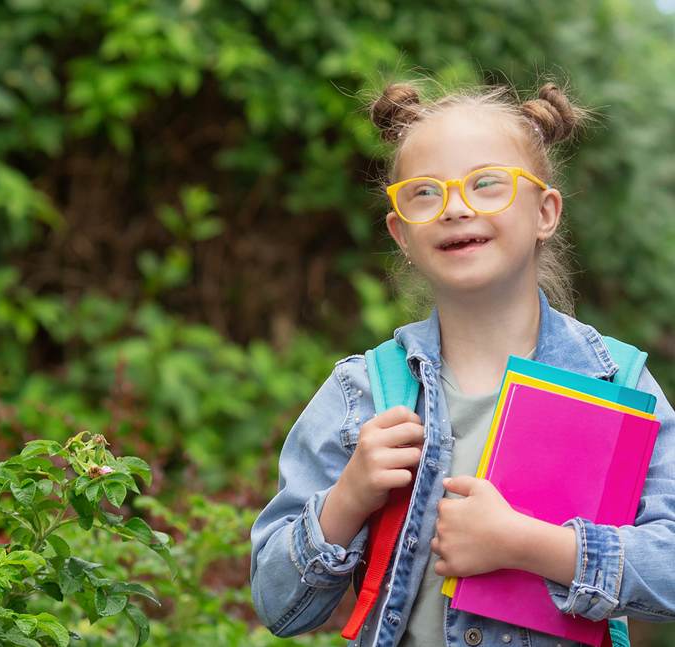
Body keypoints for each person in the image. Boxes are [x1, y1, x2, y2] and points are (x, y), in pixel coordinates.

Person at [249, 80, 675, 647]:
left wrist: (529, 545)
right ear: (401, 233)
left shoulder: (618, 386)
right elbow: (278, 606)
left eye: (487, 184)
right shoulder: (363, 393)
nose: (455, 207)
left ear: (545, 212)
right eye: (424, 193)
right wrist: (347, 499)